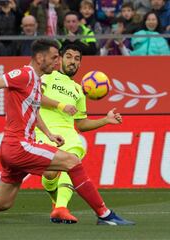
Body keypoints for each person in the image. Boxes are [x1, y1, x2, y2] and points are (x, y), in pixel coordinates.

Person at [0, 39, 134, 226]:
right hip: (18, 145)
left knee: (1, 203)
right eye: (54, 57)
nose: (57, 62)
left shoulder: (36, 82)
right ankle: (105, 215)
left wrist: (49, 135)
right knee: (72, 162)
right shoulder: (23, 74)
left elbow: (33, 110)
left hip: (14, 149)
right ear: (40, 58)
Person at [37, 44, 125, 224]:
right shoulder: (47, 77)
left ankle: (61, 208)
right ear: (59, 59)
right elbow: (35, 98)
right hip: (44, 130)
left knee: (72, 161)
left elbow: (82, 124)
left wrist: (105, 120)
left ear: (80, 65)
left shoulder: (78, 90)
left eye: (77, 59)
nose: (72, 62)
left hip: (69, 134)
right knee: (49, 175)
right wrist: (60, 105)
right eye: (69, 56)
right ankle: (57, 203)